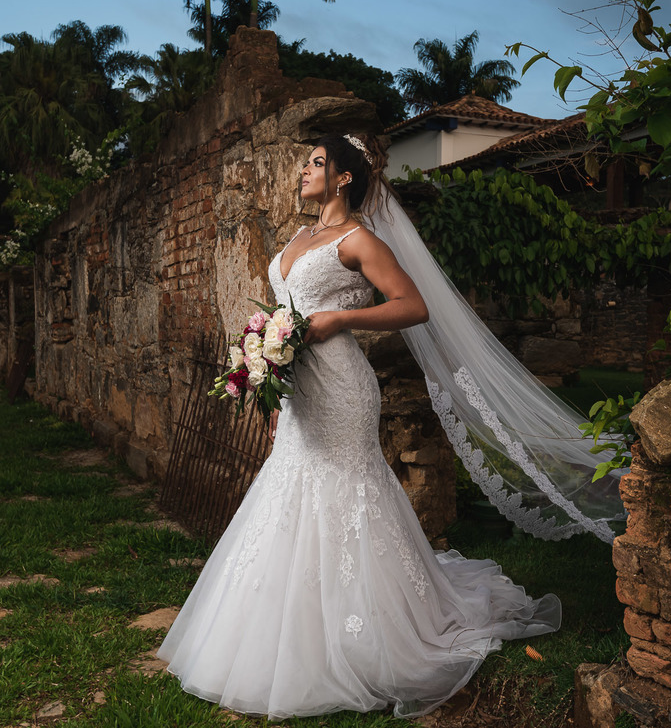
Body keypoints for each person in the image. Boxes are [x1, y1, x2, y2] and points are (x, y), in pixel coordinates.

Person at [157, 134, 562, 719]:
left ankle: (368, 633)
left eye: (317, 163)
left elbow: (412, 305)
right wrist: (265, 367)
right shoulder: (298, 238)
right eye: (305, 164)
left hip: (343, 387)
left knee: (347, 490)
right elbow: (283, 313)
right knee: (289, 489)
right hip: (299, 390)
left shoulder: (358, 240)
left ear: (344, 176)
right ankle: (287, 633)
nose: (304, 171)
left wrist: (341, 318)